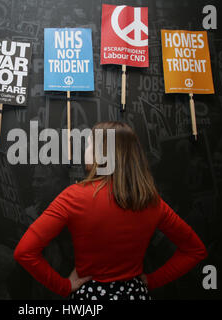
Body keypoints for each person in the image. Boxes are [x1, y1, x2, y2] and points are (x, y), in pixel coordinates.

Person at [14, 121, 208, 300]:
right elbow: (195, 250)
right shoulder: (150, 200)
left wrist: (63, 286)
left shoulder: (74, 196)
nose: (86, 150)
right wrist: (153, 281)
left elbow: (24, 252)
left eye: (89, 144)